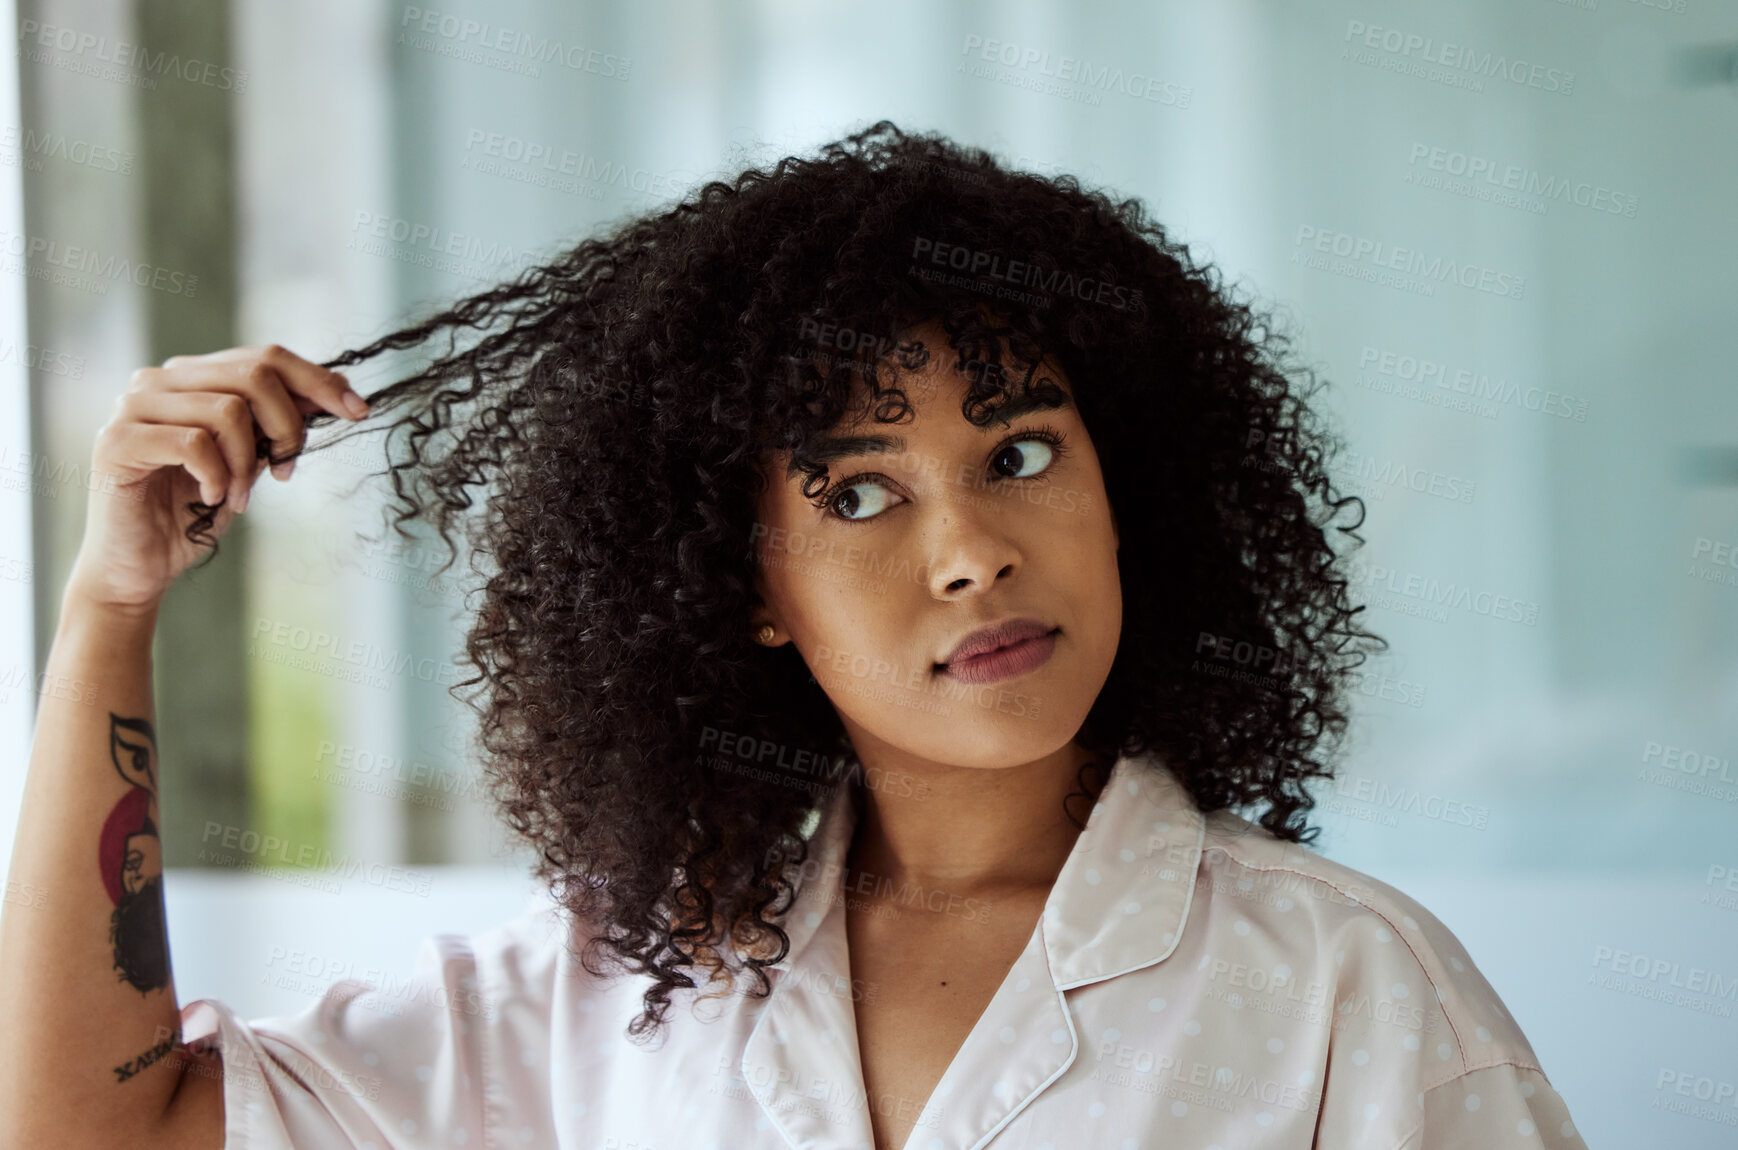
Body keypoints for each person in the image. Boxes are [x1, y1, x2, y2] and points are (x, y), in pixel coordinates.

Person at [0, 121, 1585, 1149]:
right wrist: (108, 607)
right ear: (742, 577)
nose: (970, 552)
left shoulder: (1341, 986)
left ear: (1129, 494)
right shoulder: (626, 983)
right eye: (856, 494)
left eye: (1020, 454)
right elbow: (94, 1131)